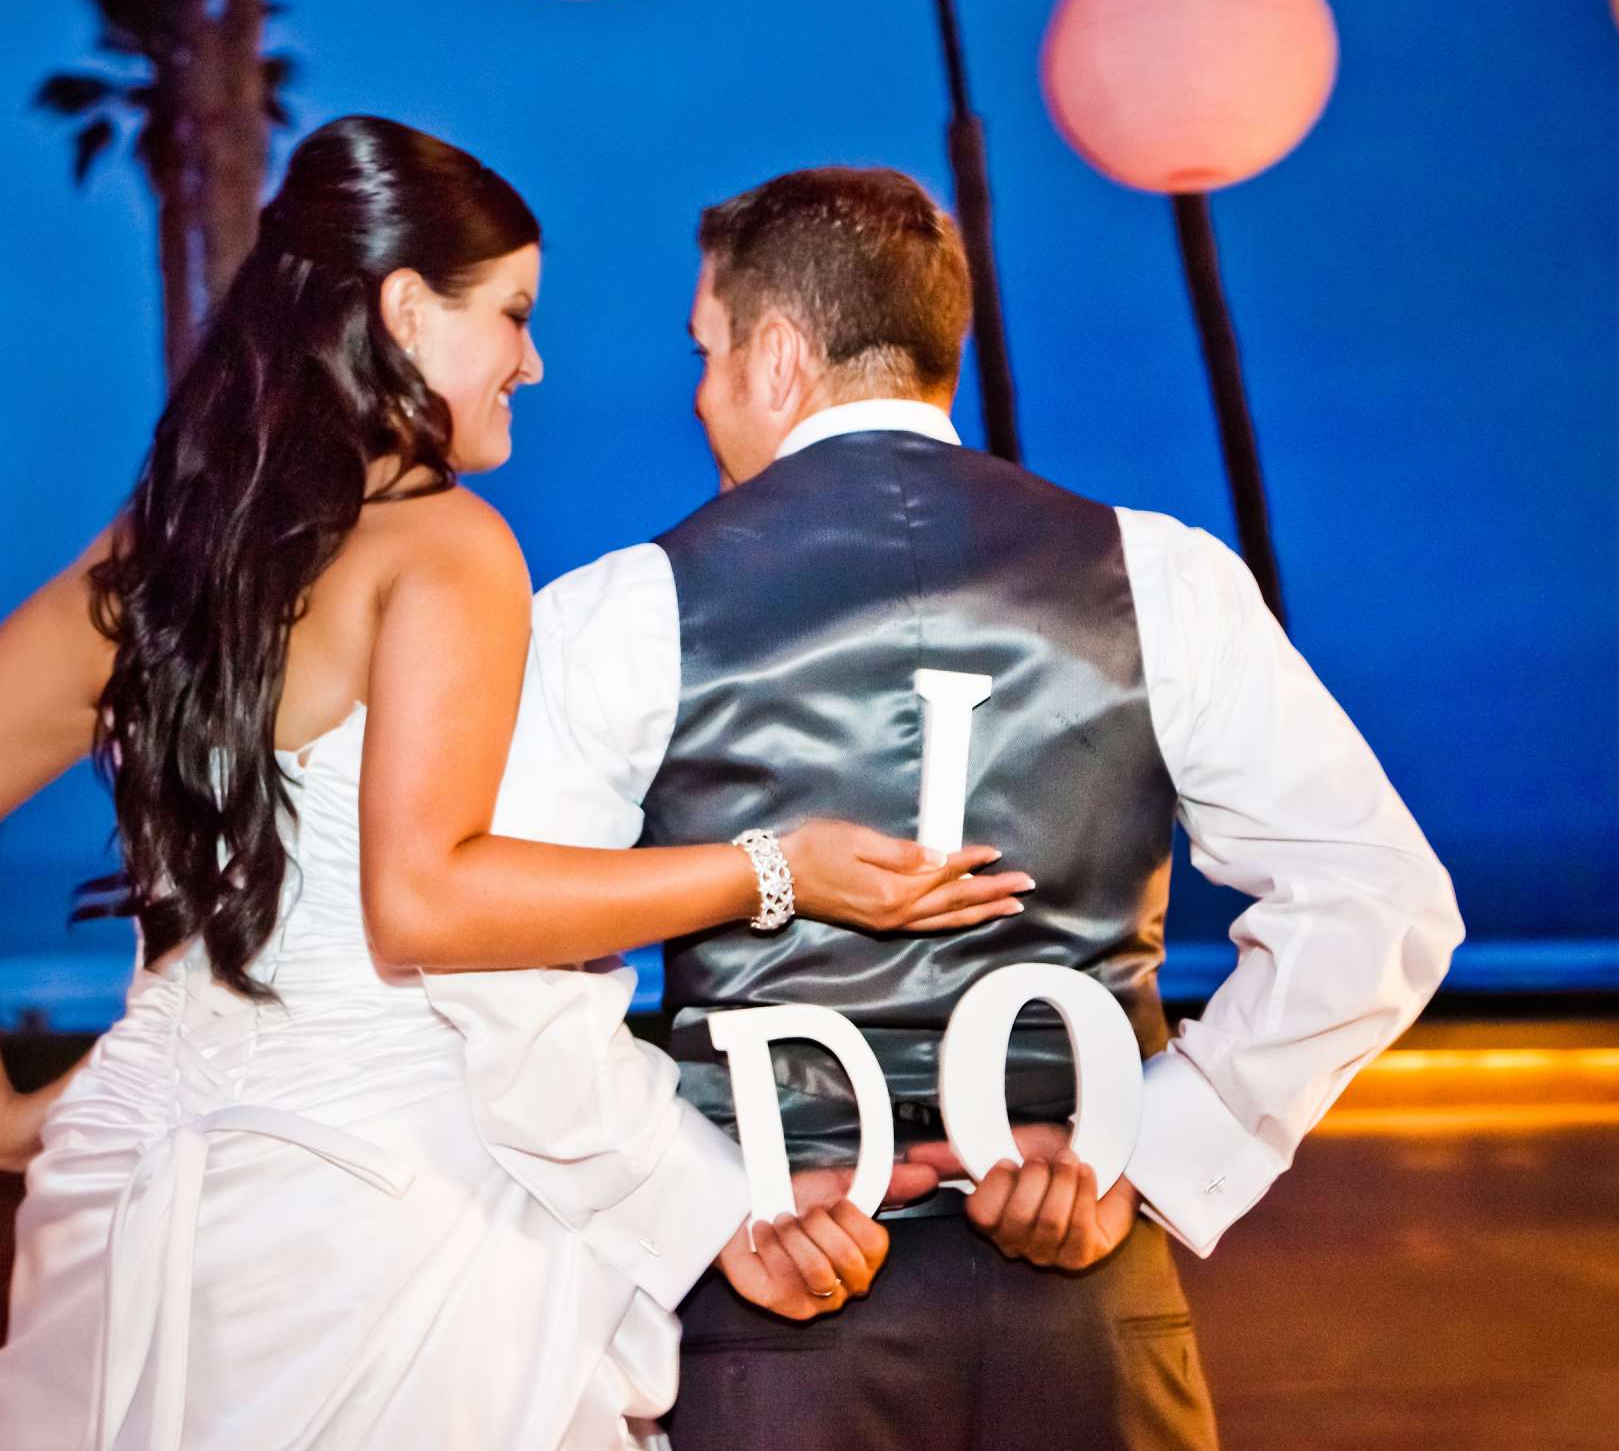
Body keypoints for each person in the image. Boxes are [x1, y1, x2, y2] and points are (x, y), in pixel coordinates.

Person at [0, 118, 1033, 1451]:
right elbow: (425, 902)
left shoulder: (164, 555)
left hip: (129, 1171)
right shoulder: (446, 550)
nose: (533, 359)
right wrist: (773, 868)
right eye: (512, 315)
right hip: (374, 1205)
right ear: (407, 308)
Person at [490, 165, 1466, 1450]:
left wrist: (706, 1204)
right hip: (1087, 1311)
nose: (702, 395)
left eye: (708, 351)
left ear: (778, 356)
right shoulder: (1158, 576)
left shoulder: (626, 609)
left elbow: (500, 959)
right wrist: (1156, 1151)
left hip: (779, 1313)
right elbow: (1381, 901)